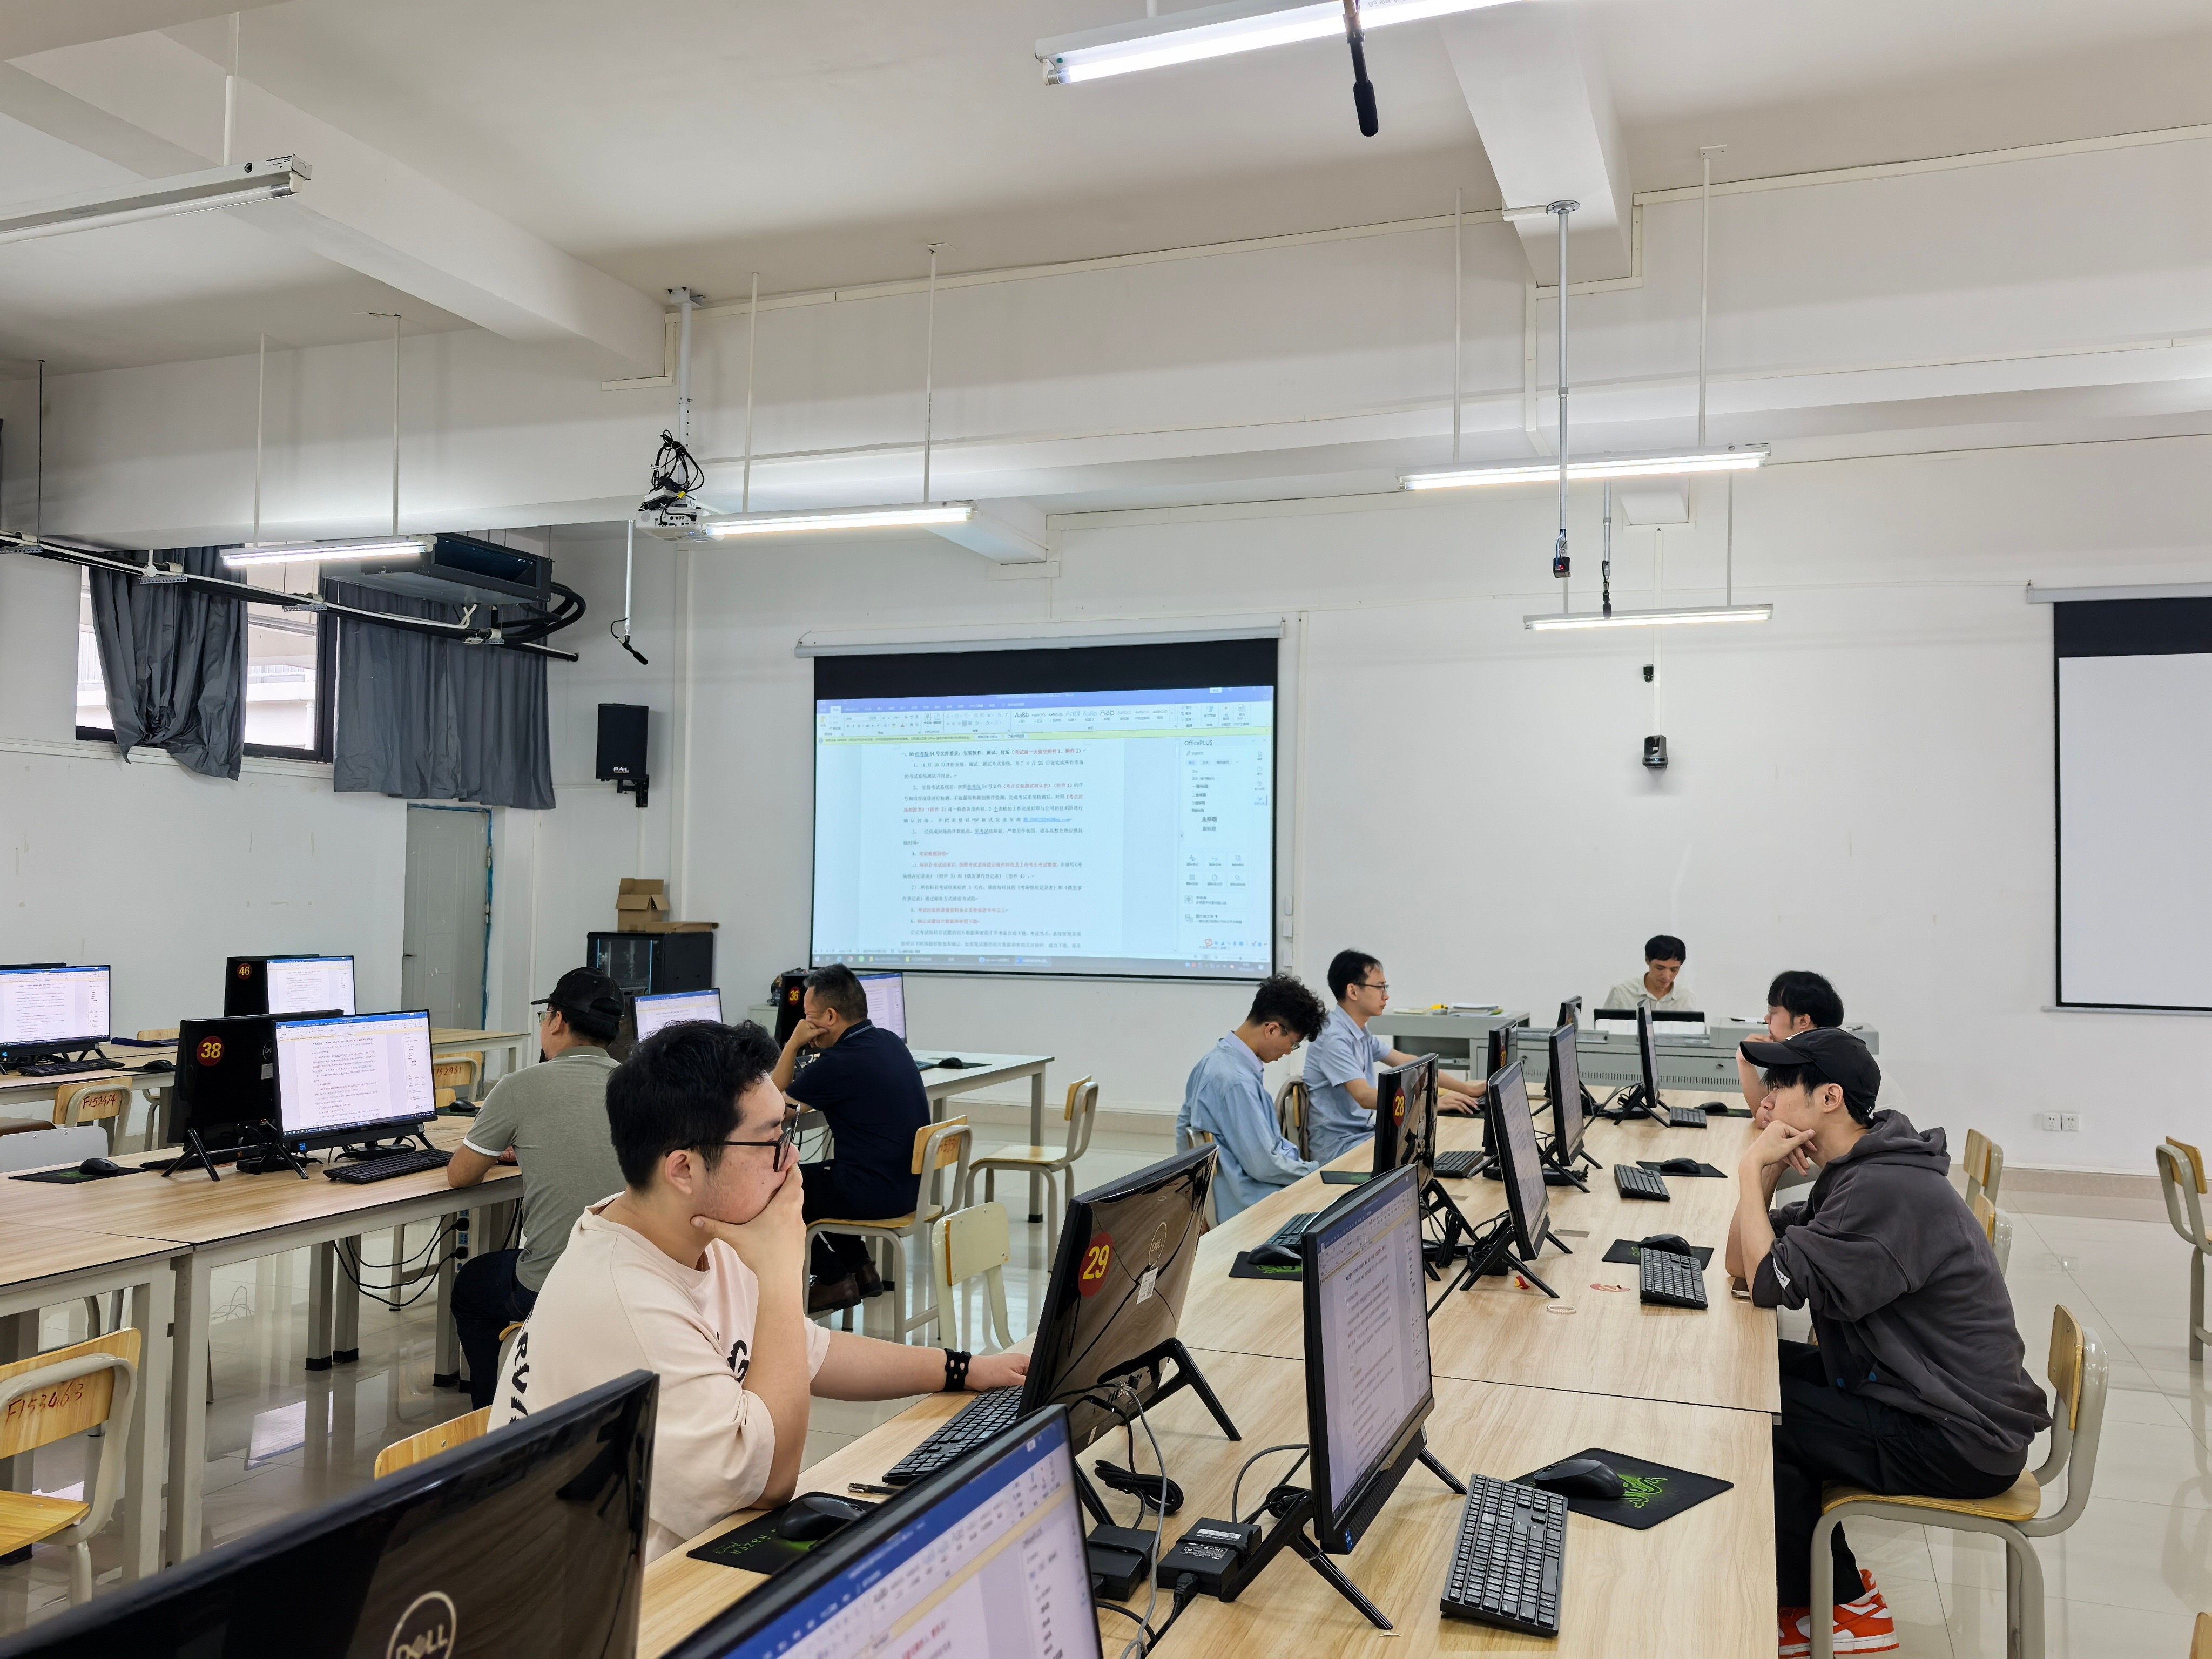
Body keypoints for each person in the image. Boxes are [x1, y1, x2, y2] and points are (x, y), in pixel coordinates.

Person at [487, 1019, 1027, 1563]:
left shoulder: (698, 1229)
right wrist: (781, 1268)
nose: (791, 1162)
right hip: (610, 1593)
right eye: (772, 1141)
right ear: (683, 1169)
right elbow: (769, 1482)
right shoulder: (626, 1300)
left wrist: (964, 1369)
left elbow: (805, 1352)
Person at [1726, 1027, 2049, 1659]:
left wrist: (1748, 1167)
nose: (1766, 1099)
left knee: (1756, 1417)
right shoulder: (1858, 1171)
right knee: (1745, 1378)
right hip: (1910, 1394)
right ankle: (1823, 1590)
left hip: (1956, 1437)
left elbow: (1767, 1284)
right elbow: (1744, 1264)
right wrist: (1764, 1172)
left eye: (1781, 1085)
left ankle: (1842, 1608)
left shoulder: (1882, 1190)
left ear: (1828, 1098)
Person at [447, 966, 629, 1409]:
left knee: (470, 1287)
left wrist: (500, 1149)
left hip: (551, 1285)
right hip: (631, 1279)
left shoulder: (519, 1087)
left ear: (557, 1020)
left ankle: (492, 1415)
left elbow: (461, 1176)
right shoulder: (641, 1088)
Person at [772, 964, 931, 1314]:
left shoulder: (839, 1062)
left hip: (874, 1194)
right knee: (821, 1178)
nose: (806, 1026)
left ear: (830, 1016)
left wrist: (793, 1043)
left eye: (809, 1018)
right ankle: (861, 1270)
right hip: (909, 1190)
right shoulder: (888, 1041)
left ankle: (833, 1280)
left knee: (777, 1186)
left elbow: (771, 1104)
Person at [1304, 950, 1487, 1162]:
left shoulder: (1358, 1031)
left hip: (1363, 1134)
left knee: (1438, 1144)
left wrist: (1469, 1089)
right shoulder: (1334, 1037)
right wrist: (1431, 1104)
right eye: (1379, 987)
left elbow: (1409, 1063)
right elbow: (1364, 1097)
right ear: (1353, 991)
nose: (1386, 995)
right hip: (1339, 1146)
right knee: (1433, 1152)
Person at [1176, 973, 1328, 1222]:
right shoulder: (1236, 1082)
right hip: (1252, 1202)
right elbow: (1264, 1165)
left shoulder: (1214, 1062)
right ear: (1272, 1029)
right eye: (1293, 1043)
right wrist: (1317, 1171)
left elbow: (1182, 1130)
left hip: (1240, 1193)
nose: (1289, 1051)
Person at [1738, 969, 1845, 1115]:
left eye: (1773, 1012)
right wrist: (1744, 1061)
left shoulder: (1816, 1065)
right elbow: (1766, 1110)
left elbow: (1764, 1117)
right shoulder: (1810, 1052)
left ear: (1803, 1021)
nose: (1767, 1019)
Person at [1602, 934, 1696, 1012]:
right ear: (1647, 960)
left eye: (1674, 970)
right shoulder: (1622, 992)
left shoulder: (1685, 997)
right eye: (1660, 968)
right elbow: (1605, 1027)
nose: (1666, 977)